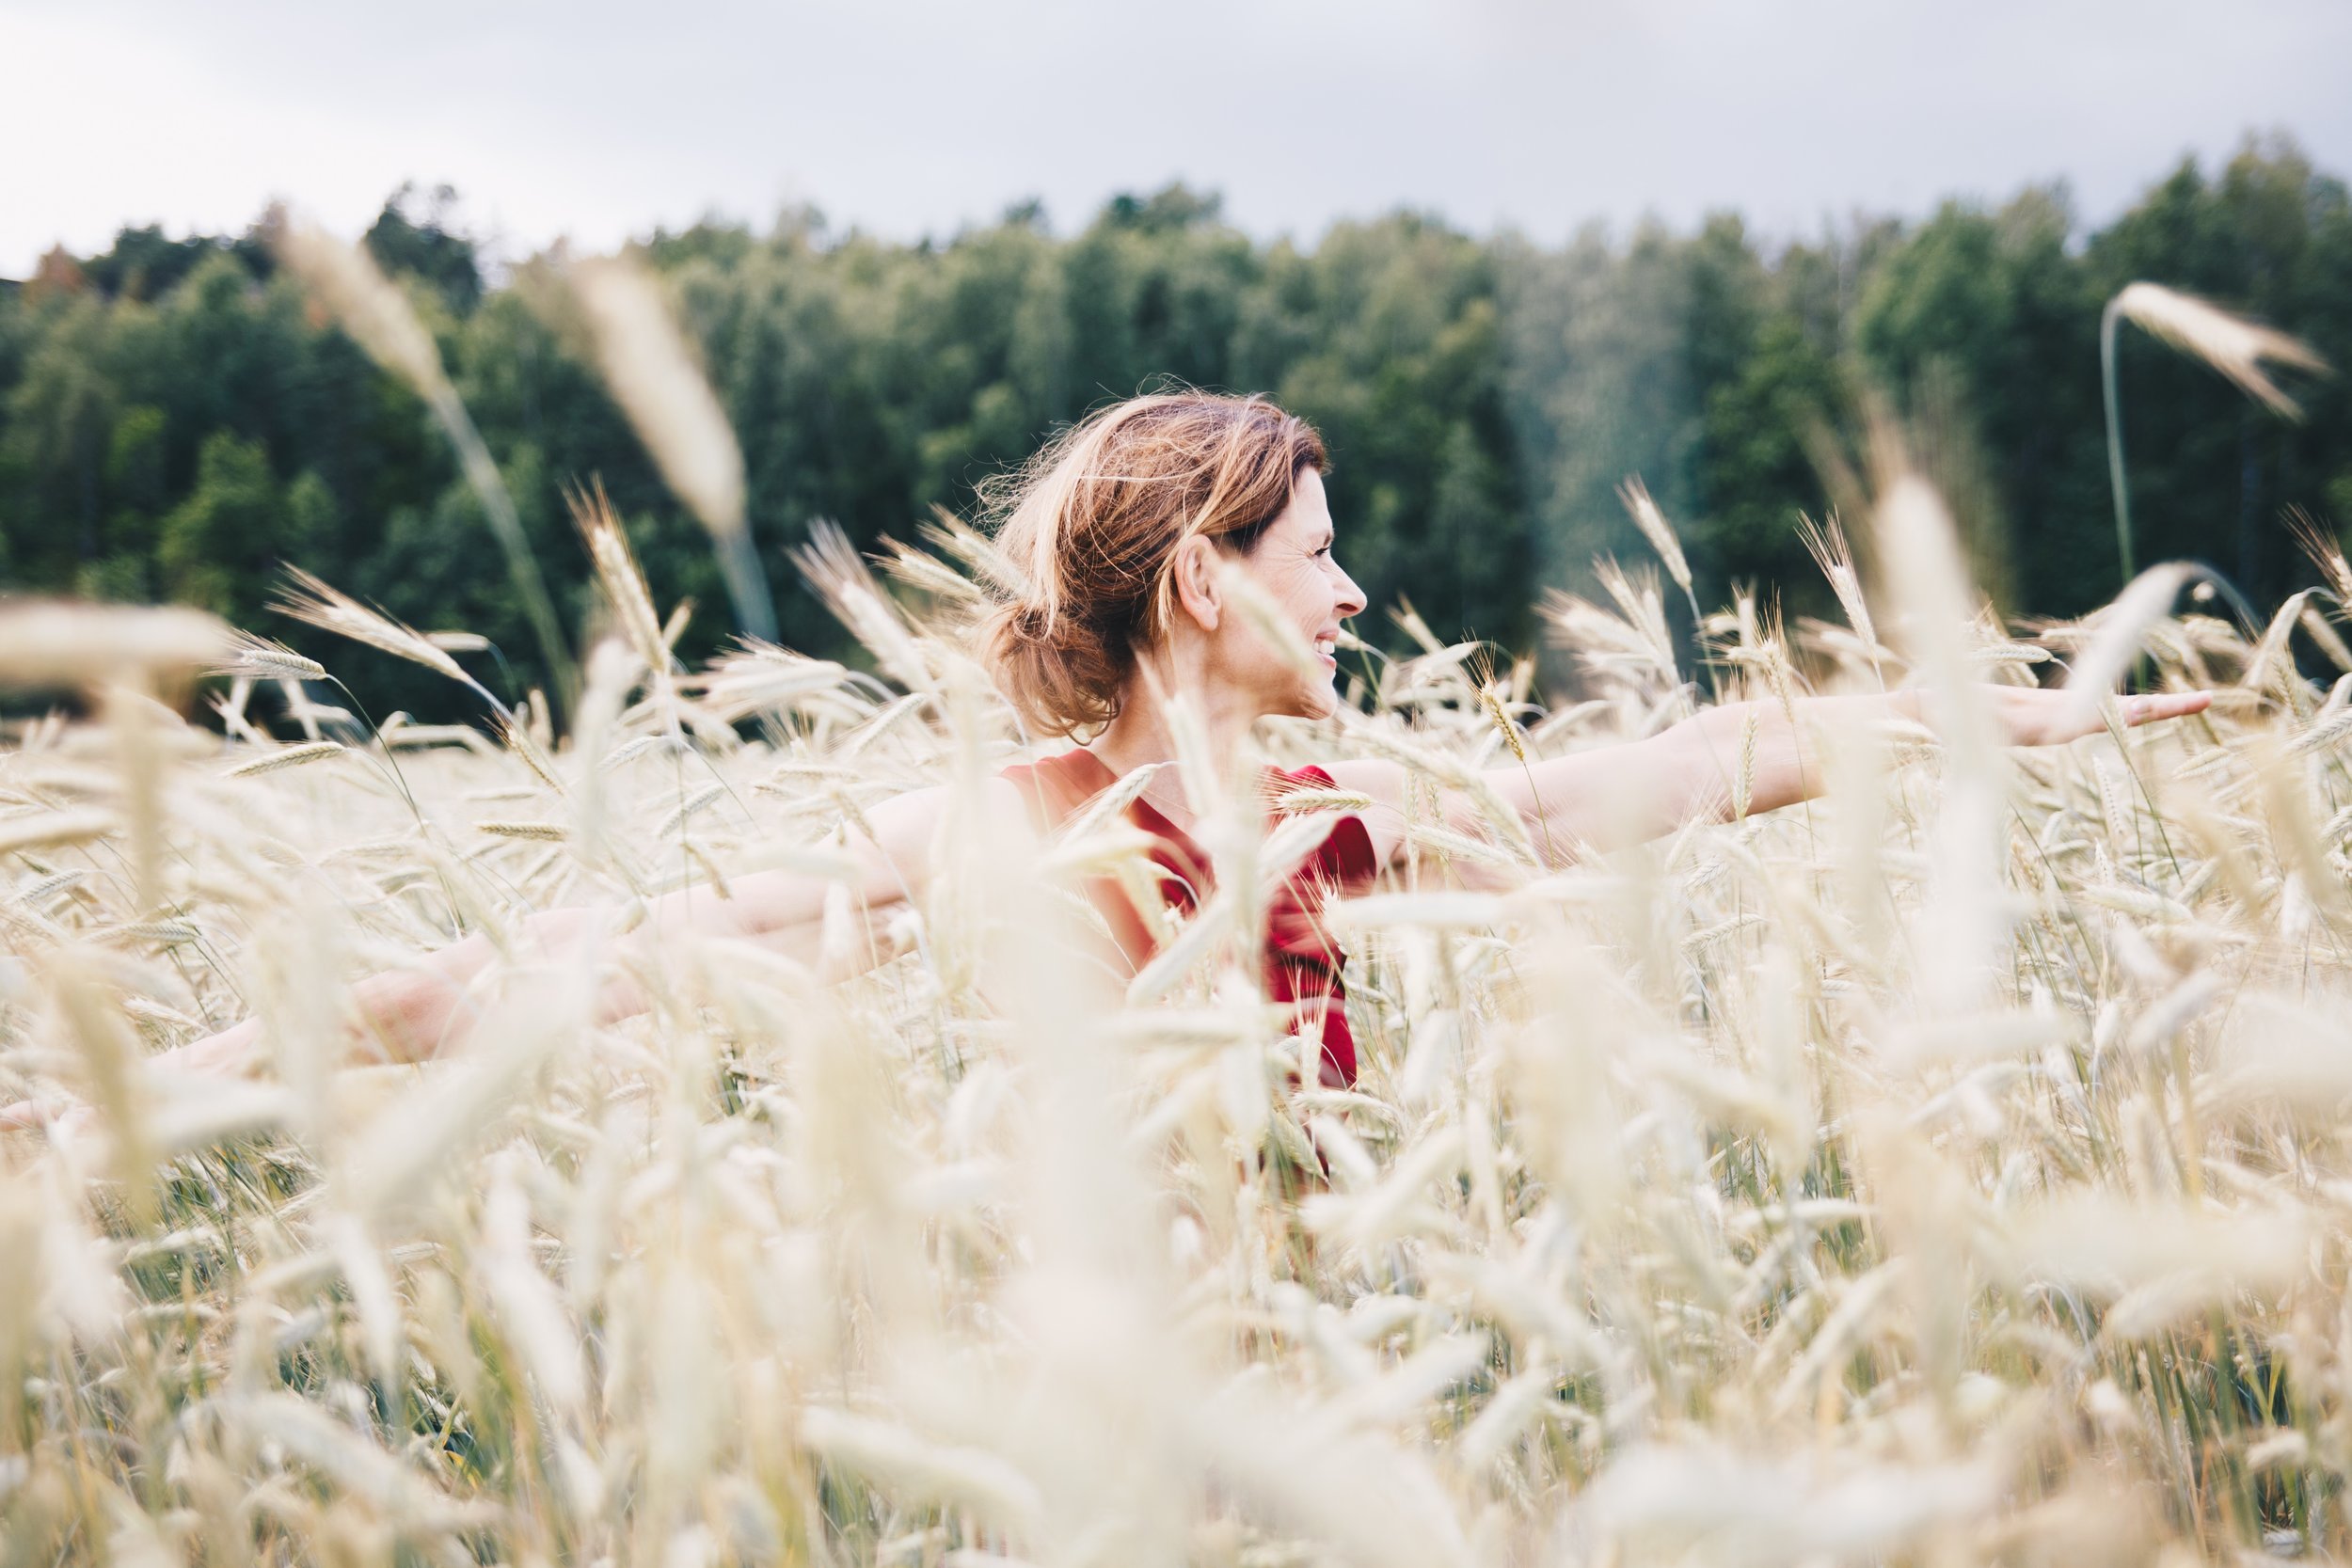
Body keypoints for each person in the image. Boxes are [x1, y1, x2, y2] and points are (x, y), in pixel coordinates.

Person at [3, 391, 2210, 1128]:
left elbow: (1722, 757)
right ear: (1198, 587)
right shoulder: (1004, 833)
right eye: (1319, 557)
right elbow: (565, 967)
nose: (1353, 596)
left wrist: (1996, 705)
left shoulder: (1357, 826)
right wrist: (130, 1095)